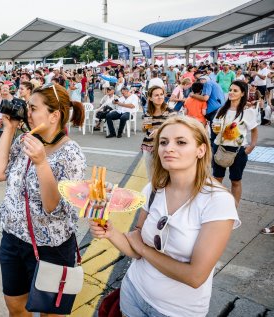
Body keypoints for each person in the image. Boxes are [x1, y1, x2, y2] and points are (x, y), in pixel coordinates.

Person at [90, 115, 240, 317]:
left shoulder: (218, 201)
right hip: (134, 291)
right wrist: (110, 231)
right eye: (163, 142)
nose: (169, 148)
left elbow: (195, 276)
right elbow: (135, 250)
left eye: (181, 142)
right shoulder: (153, 189)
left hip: (176, 310)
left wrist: (144, 248)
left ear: (201, 150)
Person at [0, 82, 85, 317]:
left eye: (32, 108)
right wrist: (10, 129)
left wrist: (42, 163)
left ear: (54, 116)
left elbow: (53, 206)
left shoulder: (71, 154)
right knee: (15, 306)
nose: (27, 113)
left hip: (51, 248)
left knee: (49, 313)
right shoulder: (26, 141)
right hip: (13, 240)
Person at [212, 80, 258, 207]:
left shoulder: (247, 112)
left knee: (236, 181)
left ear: (243, 93)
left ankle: (234, 209)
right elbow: (215, 126)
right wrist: (215, 128)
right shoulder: (221, 109)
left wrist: (252, 146)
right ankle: (215, 207)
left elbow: (254, 130)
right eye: (230, 90)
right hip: (219, 147)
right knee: (217, 180)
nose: (231, 92)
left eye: (235, 90)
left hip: (238, 150)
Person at [141, 86, 176, 180]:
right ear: (150, 98)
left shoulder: (170, 112)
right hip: (148, 146)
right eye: (156, 95)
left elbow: (175, 129)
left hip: (164, 148)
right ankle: (152, 194)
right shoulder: (149, 112)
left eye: (161, 94)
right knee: (151, 177)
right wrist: (144, 127)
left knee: (164, 177)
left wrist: (160, 131)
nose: (160, 97)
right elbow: (146, 130)